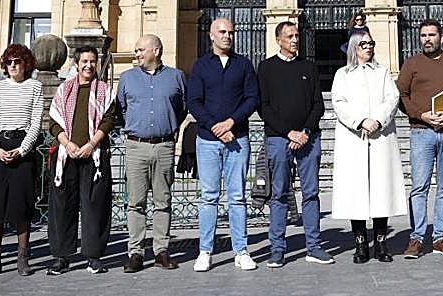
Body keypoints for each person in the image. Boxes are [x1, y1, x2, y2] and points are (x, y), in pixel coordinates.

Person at [187, 18, 260, 272]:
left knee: (237, 197)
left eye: (230, 32)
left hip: (237, 139)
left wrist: (230, 122)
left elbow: (252, 99)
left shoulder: (244, 64)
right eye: (222, 32)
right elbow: (194, 101)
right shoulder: (200, 66)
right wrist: (215, 126)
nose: (227, 36)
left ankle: (241, 250)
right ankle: (205, 251)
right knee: (208, 197)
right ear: (211, 35)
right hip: (207, 141)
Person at [257, 20, 331, 267]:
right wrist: (289, 133)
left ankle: (314, 246)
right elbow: (263, 106)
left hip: (309, 139)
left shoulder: (308, 67)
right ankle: (277, 248)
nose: (295, 40)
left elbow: (317, 104)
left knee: (311, 193)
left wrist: (305, 132)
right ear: (278, 39)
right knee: (278, 194)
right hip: (279, 140)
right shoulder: (266, 68)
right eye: (290, 36)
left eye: (297, 36)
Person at [397, 18, 443, 259]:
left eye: (431, 35)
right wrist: (421, 115)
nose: (427, 39)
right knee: (419, 187)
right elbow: (401, 95)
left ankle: (440, 236)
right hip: (421, 132)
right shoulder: (412, 63)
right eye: (423, 35)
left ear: (442, 37)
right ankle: (416, 238)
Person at [330, 27, 406, 263]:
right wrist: (359, 121)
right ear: (354, 47)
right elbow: (339, 102)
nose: (369, 47)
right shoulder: (342, 74)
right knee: (357, 193)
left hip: (380, 137)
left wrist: (377, 120)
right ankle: (360, 243)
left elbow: (392, 99)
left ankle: (381, 243)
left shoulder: (382, 72)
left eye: (371, 43)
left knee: (381, 191)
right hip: (354, 138)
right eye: (364, 44)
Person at [117, 34, 187, 271]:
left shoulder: (176, 77)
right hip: (136, 146)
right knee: (135, 202)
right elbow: (122, 109)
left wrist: (166, 127)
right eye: (136, 50)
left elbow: (181, 109)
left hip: (165, 146)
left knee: (163, 200)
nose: (136, 54)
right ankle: (135, 252)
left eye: (140, 50)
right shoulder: (126, 78)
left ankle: (161, 251)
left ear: (156, 51)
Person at [47, 45, 118, 275]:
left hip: (93, 156)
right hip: (67, 156)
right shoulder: (63, 90)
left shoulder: (105, 91)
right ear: (76, 63)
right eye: (84, 61)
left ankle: (94, 256)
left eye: (92, 61)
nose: (88, 65)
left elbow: (108, 120)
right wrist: (68, 144)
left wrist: (90, 145)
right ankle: (61, 256)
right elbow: (54, 122)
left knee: (94, 206)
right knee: (62, 206)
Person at [0, 43, 44, 277]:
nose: (14, 66)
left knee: (21, 205)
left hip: (22, 147)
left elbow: (36, 123)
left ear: (26, 63)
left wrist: (22, 150)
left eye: (18, 61)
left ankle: (23, 257)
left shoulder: (35, 87)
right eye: (9, 62)